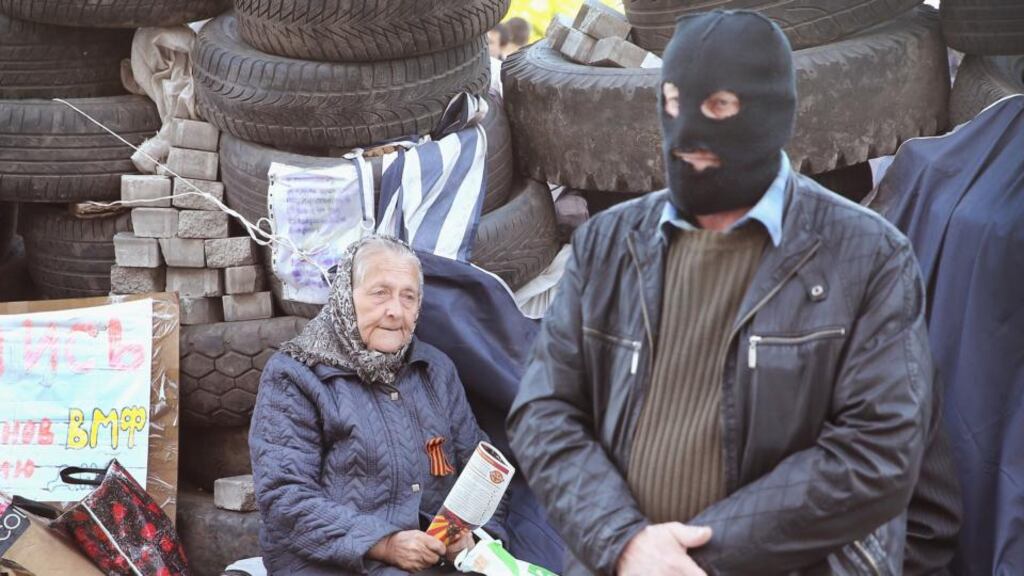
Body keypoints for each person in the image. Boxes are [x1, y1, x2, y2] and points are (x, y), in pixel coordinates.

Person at [507, 10, 955, 575]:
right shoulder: (607, 244)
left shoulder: (867, 255)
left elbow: (875, 452)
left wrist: (693, 557)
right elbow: (544, 412)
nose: (689, 129)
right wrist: (623, 543)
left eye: (718, 106)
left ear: (774, 112)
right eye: (672, 102)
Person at [250, 236, 506, 575]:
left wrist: (469, 538)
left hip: (431, 562)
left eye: (408, 297)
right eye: (379, 292)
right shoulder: (295, 375)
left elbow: (479, 466)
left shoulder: (435, 369)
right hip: (335, 564)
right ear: (346, 296)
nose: (394, 310)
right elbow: (284, 497)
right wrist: (384, 543)